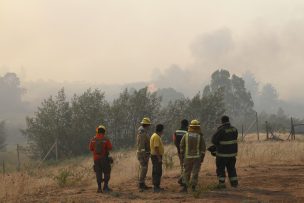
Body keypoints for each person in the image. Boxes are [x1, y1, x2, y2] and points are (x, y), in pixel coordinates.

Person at [211, 115, 239, 188]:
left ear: (222, 121)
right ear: (228, 120)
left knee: (221, 169)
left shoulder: (221, 130)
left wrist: (216, 146)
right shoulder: (234, 129)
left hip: (222, 154)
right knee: (232, 168)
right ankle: (234, 183)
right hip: (232, 154)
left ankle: (222, 184)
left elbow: (213, 140)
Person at [180, 120, 206, 192]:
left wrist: (182, 156)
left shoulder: (186, 135)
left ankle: (185, 187)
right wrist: (202, 157)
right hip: (197, 158)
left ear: (190, 126)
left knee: (186, 172)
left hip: (187, 157)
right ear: (198, 127)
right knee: (195, 172)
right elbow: (203, 148)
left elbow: (181, 146)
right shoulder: (200, 136)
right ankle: (193, 187)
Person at [89, 125, 113, 193]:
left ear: (97, 131)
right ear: (104, 131)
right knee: (107, 172)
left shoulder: (93, 139)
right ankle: (105, 187)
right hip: (104, 158)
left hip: (96, 159)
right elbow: (110, 148)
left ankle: (99, 188)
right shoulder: (106, 139)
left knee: (98, 173)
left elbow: (90, 148)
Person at [136, 117, 152, 191]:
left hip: (144, 153)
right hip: (143, 154)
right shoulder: (142, 133)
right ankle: (141, 184)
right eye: (148, 124)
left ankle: (142, 183)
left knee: (144, 169)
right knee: (144, 168)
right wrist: (144, 154)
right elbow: (141, 145)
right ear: (146, 125)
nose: (149, 126)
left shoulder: (143, 132)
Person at [173, 119, 189, 186]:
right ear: (187, 124)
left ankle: (182, 179)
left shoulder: (176, 132)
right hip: (187, 152)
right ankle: (183, 180)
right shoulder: (188, 132)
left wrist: (178, 148)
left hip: (179, 151)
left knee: (182, 165)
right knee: (187, 166)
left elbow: (174, 141)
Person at [150, 124, 165, 193]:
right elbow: (156, 148)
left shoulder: (154, 135)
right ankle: (156, 187)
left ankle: (156, 186)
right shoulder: (156, 137)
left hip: (154, 156)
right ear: (161, 130)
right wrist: (159, 158)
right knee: (157, 171)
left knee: (156, 170)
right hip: (156, 156)